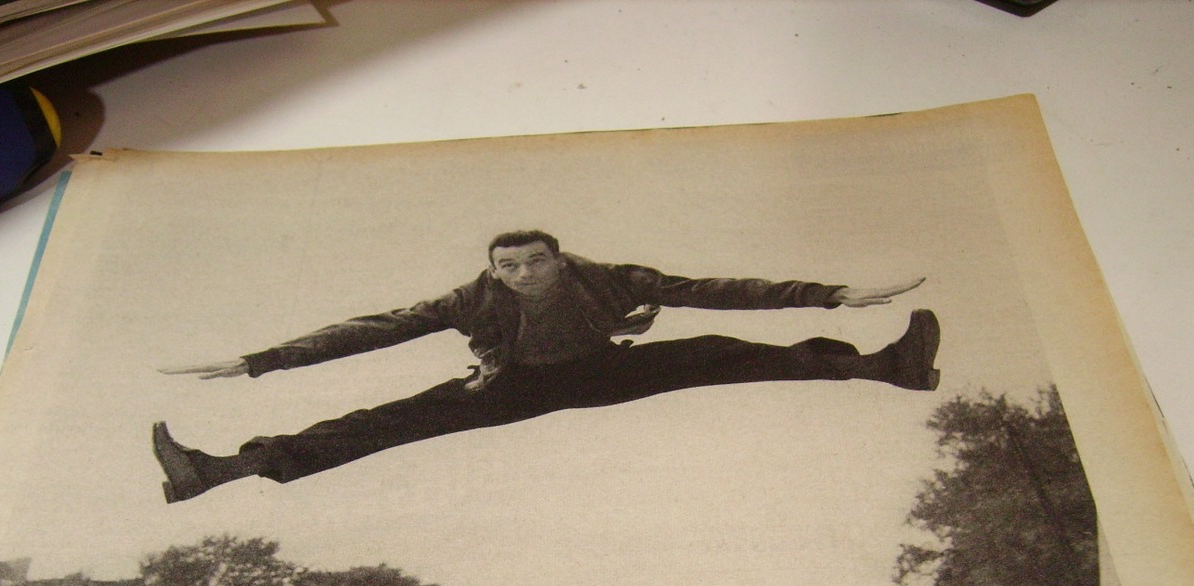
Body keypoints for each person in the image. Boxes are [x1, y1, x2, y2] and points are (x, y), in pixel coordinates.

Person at [152, 229, 942, 502]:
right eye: (508, 267)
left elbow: (717, 289)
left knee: (714, 352)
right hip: (512, 387)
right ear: (493, 273)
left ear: (559, 260)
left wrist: (835, 293)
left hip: (603, 369)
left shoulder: (613, 279)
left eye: (534, 262)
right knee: (385, 422)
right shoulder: (470, 299)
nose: (521, 275)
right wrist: (260, 362)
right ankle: (216, 473)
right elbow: (371, 330)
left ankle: (885, 369)